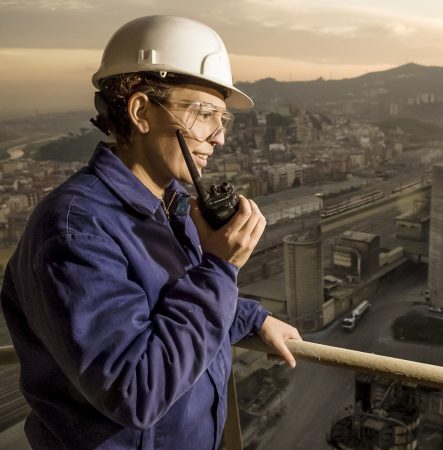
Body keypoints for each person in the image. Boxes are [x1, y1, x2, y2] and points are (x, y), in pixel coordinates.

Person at [0, 15, 301, 450]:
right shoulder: (75, 231)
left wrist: (251, 317)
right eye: (204, 114)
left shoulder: (169, 205)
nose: (218, 138)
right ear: (141, 112)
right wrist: (220, 268)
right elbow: (135, 391)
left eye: (222, 120)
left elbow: (164, 308)